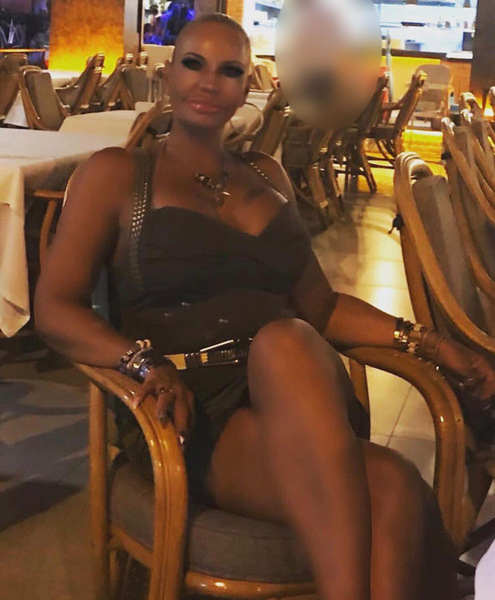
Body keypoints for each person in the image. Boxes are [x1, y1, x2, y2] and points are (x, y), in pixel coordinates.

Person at [34, 13, 495, 600]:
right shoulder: (118, 173)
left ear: (247, 87)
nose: (209, 81)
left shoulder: (266, 173)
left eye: (229, 70)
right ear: (167, 75)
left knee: (287, 339)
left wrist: (435, 345)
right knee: (396, 487)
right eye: (193, 63)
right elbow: (55, 307)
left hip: (302, 392)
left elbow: (321, 307)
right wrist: (143, 363)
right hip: (192, 405)